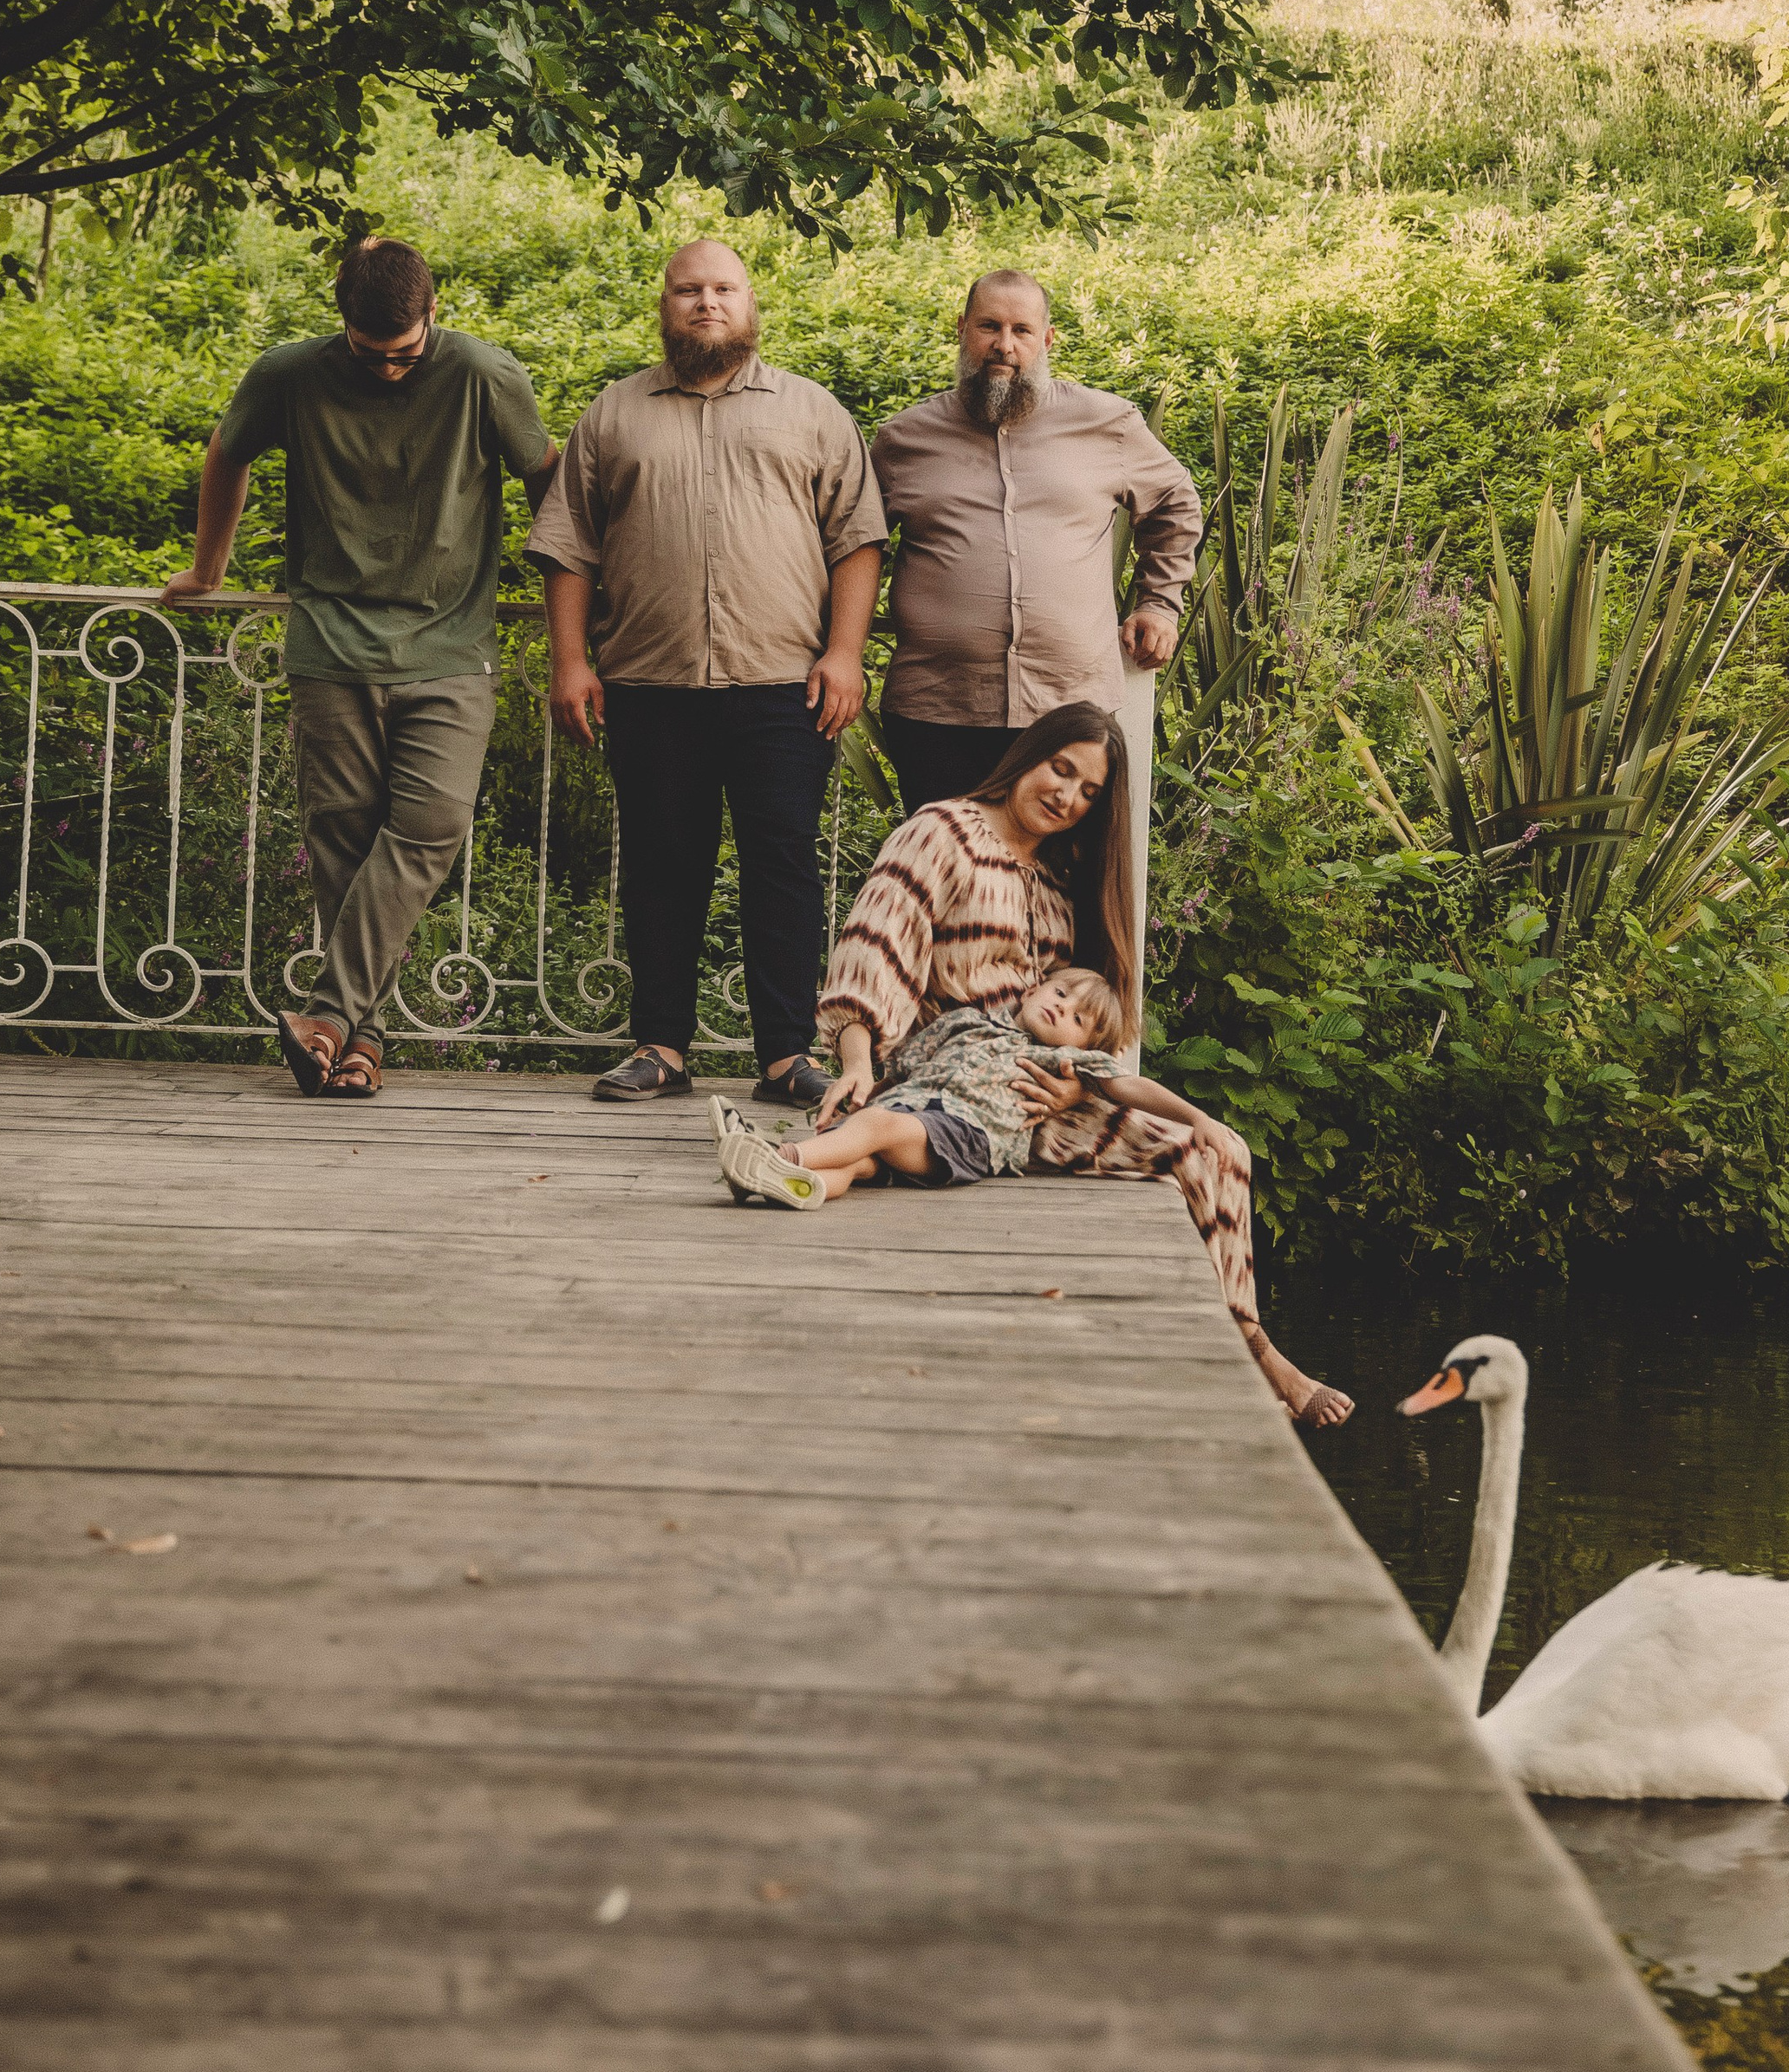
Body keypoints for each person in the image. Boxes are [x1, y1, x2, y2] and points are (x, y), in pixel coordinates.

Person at [808, 700, 1354, 1429]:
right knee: (1197, 1158)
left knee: (1222, 1154)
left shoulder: (1062, 876)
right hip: (954, 1082)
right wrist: (855, 1059)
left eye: (1088, 791)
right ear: (1028, 756)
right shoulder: (943, 833)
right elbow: (877, 943)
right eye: (1060, 769)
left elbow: (1087, 1019)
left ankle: (1245, 1345)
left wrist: (1073, 1090)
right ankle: (1263, 1361)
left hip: (1045, 1093)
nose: (1066, 796)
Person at [163, 234, 557, 1100]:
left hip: (451, 646)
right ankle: (357, 1044)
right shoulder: (290, 373)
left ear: (434, 312)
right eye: (369, 354)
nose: (387, 369)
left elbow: (546, 473)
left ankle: (330, 1015)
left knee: (432, 825)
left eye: (404, 354)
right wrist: (208, 572)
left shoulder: (485, 375)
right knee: (341, 837)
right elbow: (227, 451)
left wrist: (563, 591)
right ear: (342, 325)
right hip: (331, 643)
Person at [530, 238, 885, 1107]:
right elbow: (568, 548)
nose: (705, 304)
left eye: (723, 288)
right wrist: (571, 662)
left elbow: (858, 539)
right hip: (651, 687)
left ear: (751, 302)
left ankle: (785, 1056)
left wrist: (844, 654)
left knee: (781, 865)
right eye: (688, 289)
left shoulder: (811, 411)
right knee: (660, 865)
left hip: (782, 685)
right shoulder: (614, 414)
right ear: (664, 303)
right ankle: (661, 1047)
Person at [868, 270, 1204, 812]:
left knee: (1058, 887)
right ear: (962, 330)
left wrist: (1161, 602)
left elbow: (1174, 504)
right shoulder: (904, 439)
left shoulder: (1107, 424)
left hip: (1068, 711)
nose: (1004, 345)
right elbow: (856, 545)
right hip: (938, 709)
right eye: (989, 327)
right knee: (945, 878)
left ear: (1046, 340)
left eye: (1022, 330)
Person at [708, 961, 1129, 1205]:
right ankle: (776, 1184)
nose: (1062, 1009)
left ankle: (776, 1154)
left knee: (876, 1126)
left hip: (965, 1133)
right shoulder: (967, 1022)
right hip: (912, 1112)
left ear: (1088, 1046)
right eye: (1060, 994)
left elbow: (1130, 1087)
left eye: (1079, 1019)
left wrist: (1194, 1119)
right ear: (1034, 988)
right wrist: (863, 1094)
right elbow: (903, 1070)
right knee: (856, 1161)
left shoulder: (1063, 1060)